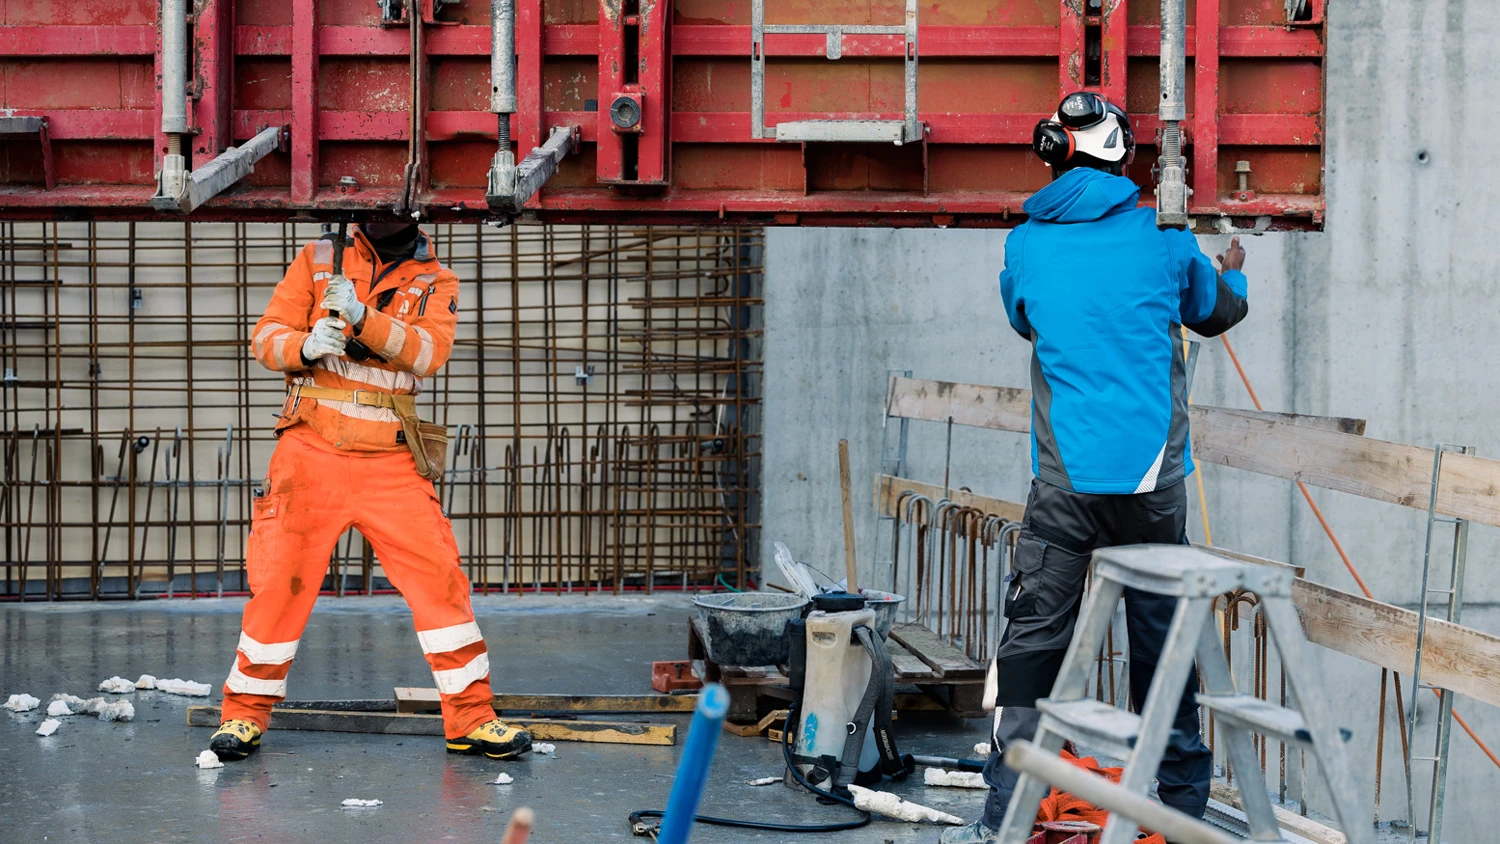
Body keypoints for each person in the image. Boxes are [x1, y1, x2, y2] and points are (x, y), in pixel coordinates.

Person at [942, 92, 1249, 843]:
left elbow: (1024, 318)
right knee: (1162, 648)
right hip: (1151, 490)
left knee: (1031, 652)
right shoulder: (1166, 240)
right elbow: (1216, 312)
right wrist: (1232, 271)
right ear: (1123, 155)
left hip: (1063, 490)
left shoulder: (1026, 246)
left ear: (1055, 152)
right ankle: (1176, 816)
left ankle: (1000, 819)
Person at [207, 221, 531, 763]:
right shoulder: (319, 257)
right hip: (310, 452)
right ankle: (244, 714)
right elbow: (265, 337)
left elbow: (428, 353)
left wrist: (363, 318)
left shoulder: (436, 279)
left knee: (440, 582)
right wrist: (304, 346)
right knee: (279, 586)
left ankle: (472, 719)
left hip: (392, 457)